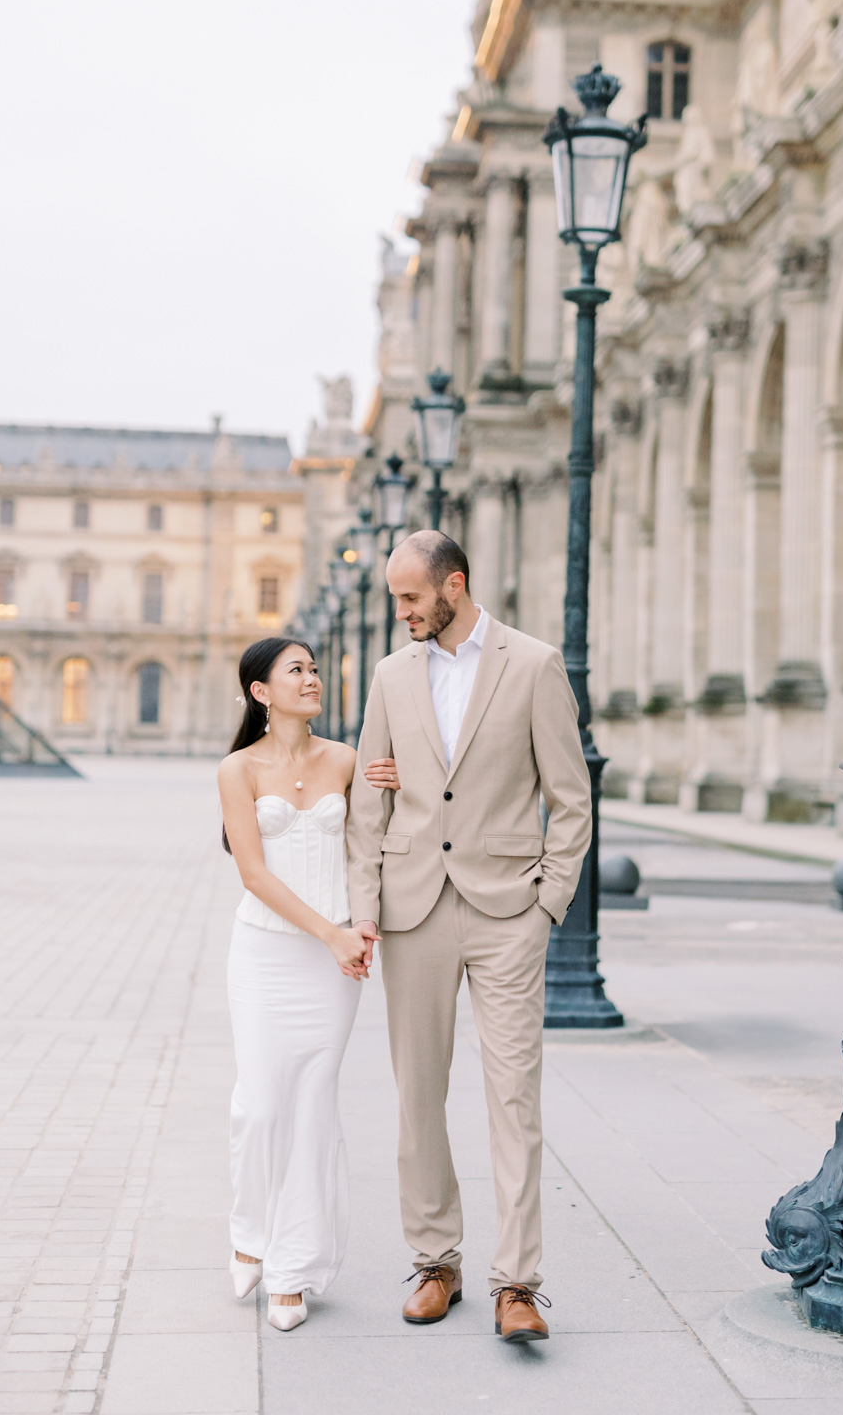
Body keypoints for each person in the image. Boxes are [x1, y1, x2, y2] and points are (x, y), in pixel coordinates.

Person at [347, 531, 591, 1344]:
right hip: (412, 908)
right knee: (418, 1097)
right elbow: (368, 804)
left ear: (454, 585)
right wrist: (365, 905)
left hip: (505, 913)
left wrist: (546, 906)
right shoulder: (389, 675)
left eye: (411, 597)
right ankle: (435, 1262)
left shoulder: (532, 664)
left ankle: (515, 1282)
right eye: (394, 599)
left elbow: (570, 795)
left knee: (513, 1099)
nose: (402, 612)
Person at [218, 635, 392, 1332]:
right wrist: (330, 932)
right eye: (297, 670)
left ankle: (291, 1268)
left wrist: (391, 785)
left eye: (315, 668)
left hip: (333, 965)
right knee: (260, 1106)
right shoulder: (237, 769)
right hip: (263, 952)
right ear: (262, 691)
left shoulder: (348, 760)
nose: (312, 678)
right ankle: (247, 1230)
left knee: (313, 1107)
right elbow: (253, 873)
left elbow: (370, 844)